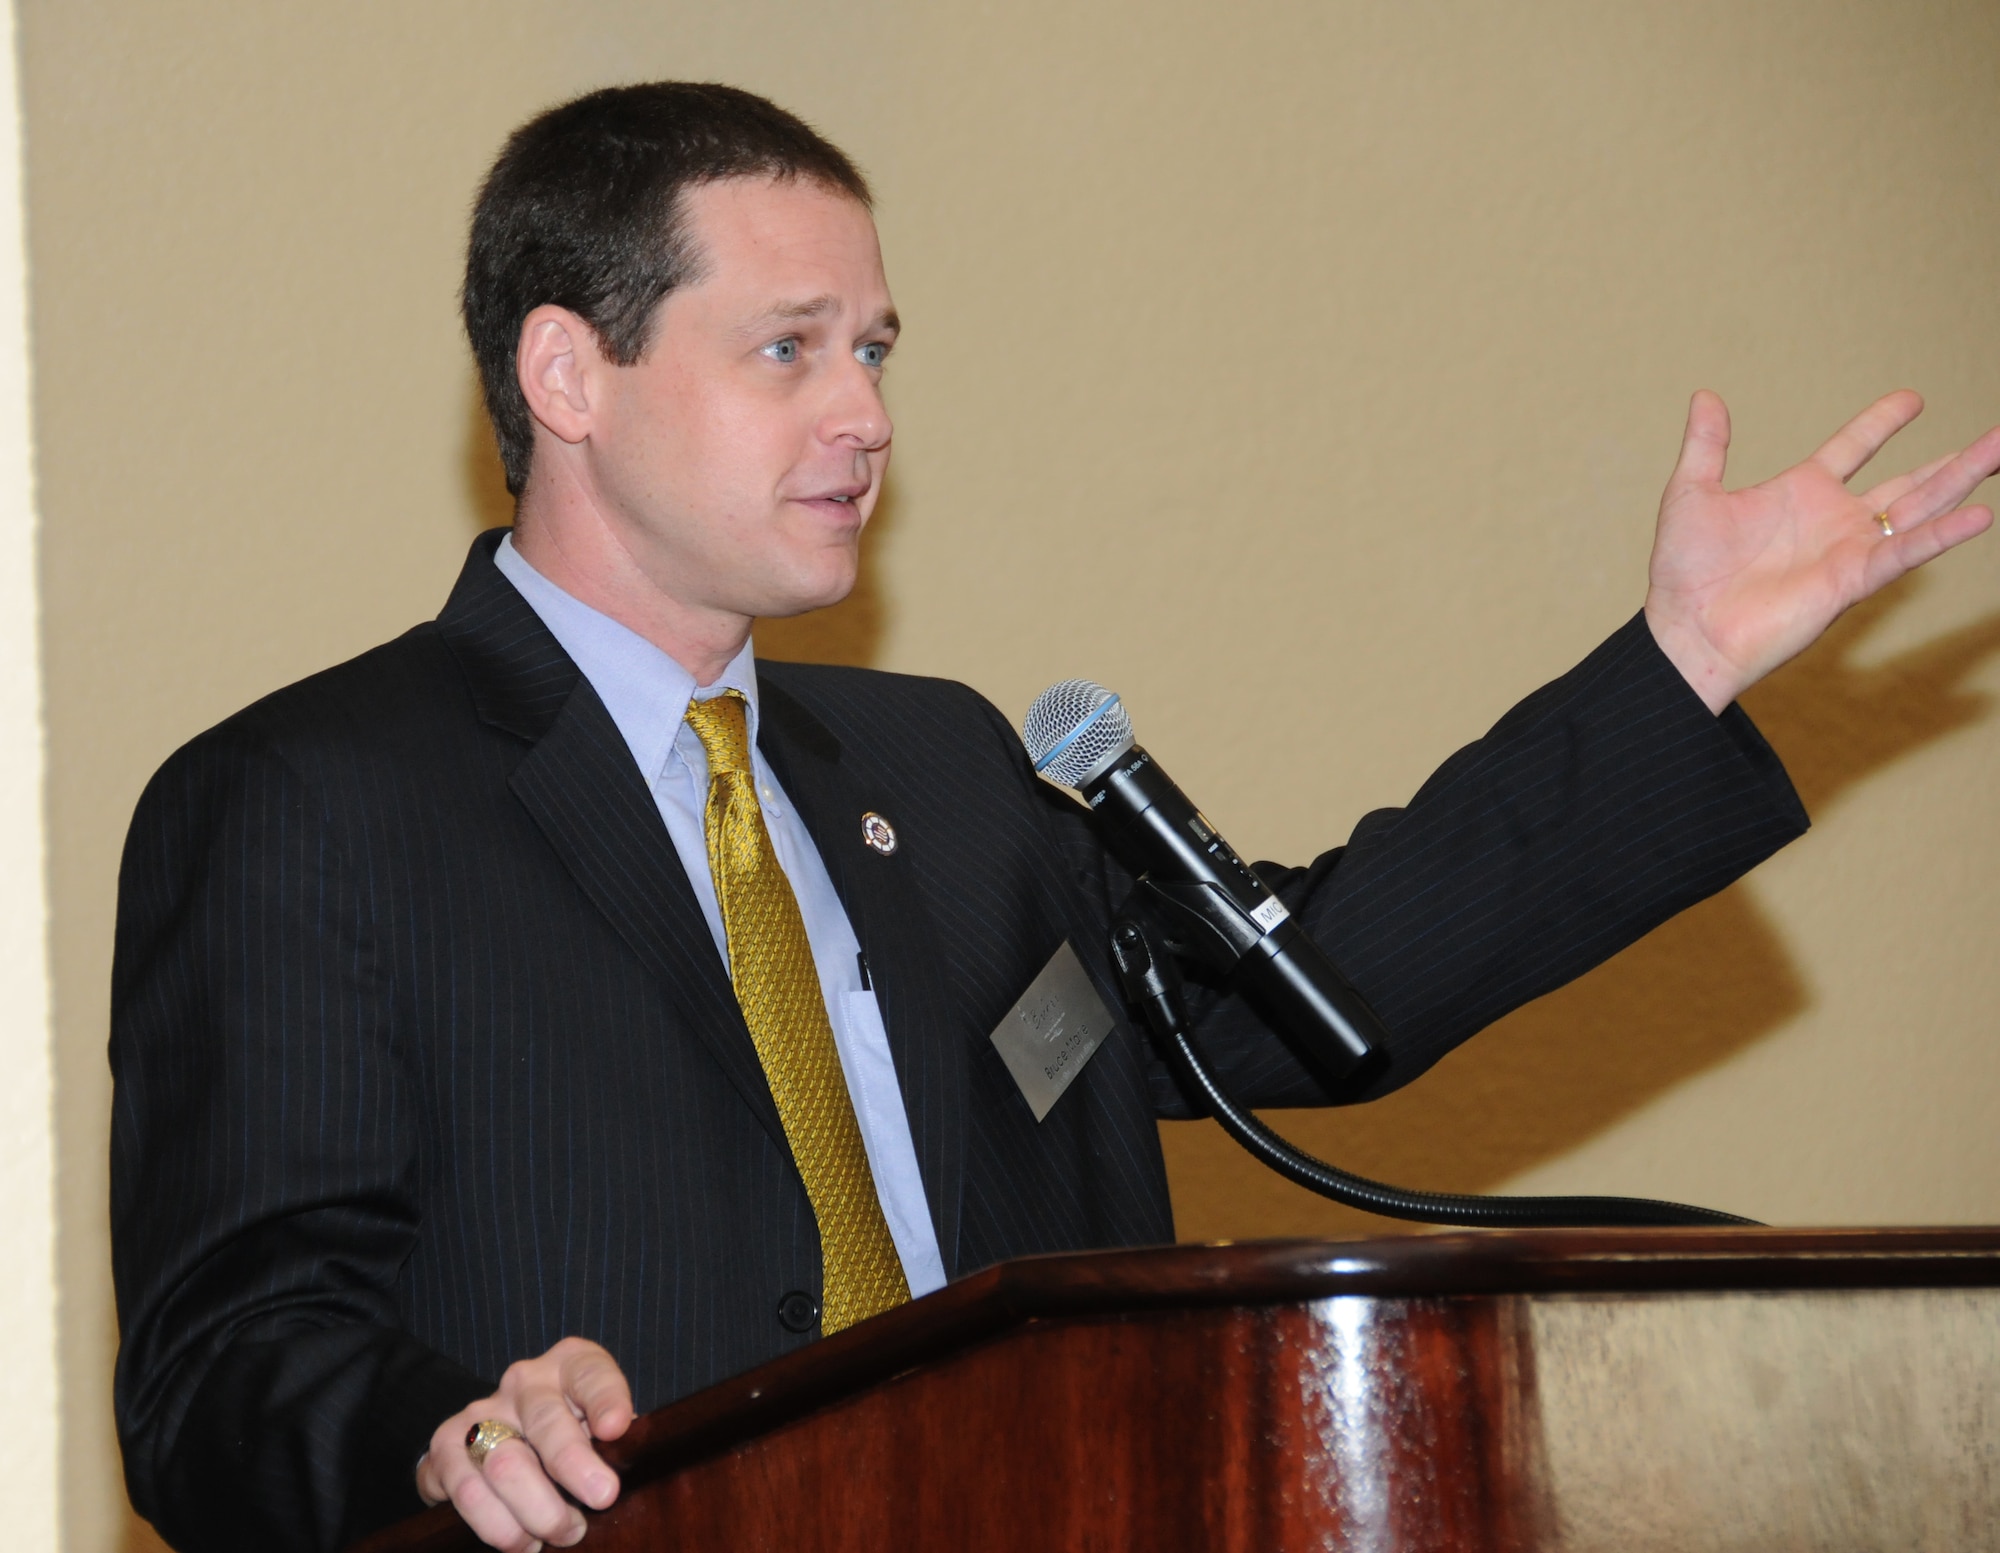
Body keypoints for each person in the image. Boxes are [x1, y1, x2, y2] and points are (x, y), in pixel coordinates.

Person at [108, 82, 2000, 1553]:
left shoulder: (940, 776)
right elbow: (222, 1359)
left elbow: (1293, 999)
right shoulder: (310, 799)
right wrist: (444, 1430)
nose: (863, 413)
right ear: (566, 371)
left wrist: (1675, 666)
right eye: (790, 348)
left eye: (878, 350)